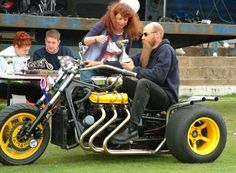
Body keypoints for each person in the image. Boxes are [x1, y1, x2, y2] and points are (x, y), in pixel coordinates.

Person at [111, 22, 180, 144]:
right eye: (142, 34)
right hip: (151, 94)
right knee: (119, 80)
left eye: (146, 34)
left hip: (166, 97)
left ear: (157, 35)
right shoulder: (147, 52)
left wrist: (133, 69)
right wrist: (101, 64)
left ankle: (132, 129)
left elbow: (158, 76)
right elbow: (126, 62)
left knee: (144, 83)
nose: (142, 37)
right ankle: (115, 120)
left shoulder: (166, 50)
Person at [80, 1, 143, 81]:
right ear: (113, 17)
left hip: (112, 71)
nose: (122, 22)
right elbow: (85, 41)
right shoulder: (102, 25)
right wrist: (95, 38)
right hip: (91, 68)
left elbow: (124, 56)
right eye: (120, 19)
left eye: (125, 20)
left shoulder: (127, 35)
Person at [0, 31, 42, 103]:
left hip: (14, 84)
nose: (27, 53)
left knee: (38, 89)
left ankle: (35, 110)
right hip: (3, 86)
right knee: (32, 89)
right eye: (25, 50)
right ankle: (27, 110)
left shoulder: (21, 55)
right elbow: (8, 75)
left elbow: (24, 70)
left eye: (28, 50)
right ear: (16, 46)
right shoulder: (4, 56)